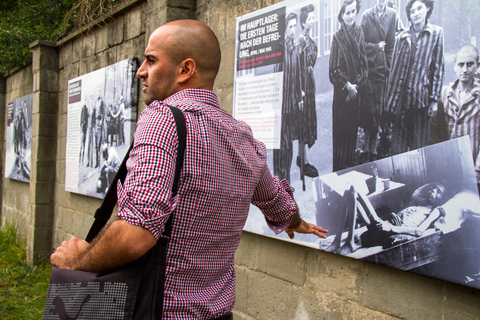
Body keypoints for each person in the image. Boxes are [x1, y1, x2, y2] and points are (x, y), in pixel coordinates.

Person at [50, 20, 328, 320]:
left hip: (157, 310)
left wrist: (78, 262)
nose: (141, 70)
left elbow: (136, 234)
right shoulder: (243, 136)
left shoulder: (162, 120)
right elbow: (276, 201)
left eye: (151, 60)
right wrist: (296, 222)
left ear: (185, 70)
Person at [384, 0, 444, 156]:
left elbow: (437, 67)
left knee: (419, 150)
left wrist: (434, 99)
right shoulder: (402, 37)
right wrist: (389, 105)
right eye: (412, 11)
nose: (416, 14)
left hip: (420, 102)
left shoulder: (435, 34)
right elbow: (393, 72)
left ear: (428, 9)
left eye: (419, 9)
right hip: (400, 104)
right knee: (398, 152)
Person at [328, 182, 446, 255]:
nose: (433, 191)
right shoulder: (419, 204)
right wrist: (395, 215)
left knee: (354, 190)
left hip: (387, 231)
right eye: (433, 188)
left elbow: (418, 231)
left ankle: (349, 243)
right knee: (348, 194)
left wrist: (391, 227)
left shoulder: (435, 211)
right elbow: (406, 217)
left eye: (438, 192)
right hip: (383, 226)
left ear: (441, 200)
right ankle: (336, 241)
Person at [432, 45, 480, 189]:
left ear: (477, 66)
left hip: (473, 165)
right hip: (451, 166)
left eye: (470, 64)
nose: (465, 69)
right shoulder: (446, 92)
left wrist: (478, 168)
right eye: (461, 64)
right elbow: (437, 131)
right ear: (454, 66)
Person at [329, 0, 368, 171]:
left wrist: (357, 85)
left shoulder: (360, 33)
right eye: (348, 13)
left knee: (352, 135)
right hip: (342, 95)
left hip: (356, 94)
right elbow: (333, 70)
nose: (351, 16)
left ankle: (350, 170)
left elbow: (364, 64)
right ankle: (338, 171)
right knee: (341, 136)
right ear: (342, 15)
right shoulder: (337, 38)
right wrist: (347, 85)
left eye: (353, 12)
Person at [360, 0, 400, 161]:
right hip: (369, 68)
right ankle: (366, 147)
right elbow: (361, 43)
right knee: (369, 108)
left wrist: (389, 67)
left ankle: (374, 148)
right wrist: (376, 47)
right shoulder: (367, 16)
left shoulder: (392, 15)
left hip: (383, 70)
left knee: (379, 108)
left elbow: (391, 45)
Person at [273, 12, 303, 183]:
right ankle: (279, 177)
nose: (292, 30)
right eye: (290, 27)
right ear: (285, 29)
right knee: (281, 144)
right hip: (282, 106)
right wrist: (276, 101)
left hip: (292, 105)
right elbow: (276, 76)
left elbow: (298, 74)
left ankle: (287, 179)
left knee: (289, 143)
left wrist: (299, 96)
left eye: (294, 26)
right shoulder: (281, 48)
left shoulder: (296, 48)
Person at [297, 4, 320, 185]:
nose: (312, 21)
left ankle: (303, 158)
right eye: (309, 19)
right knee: (303, 124)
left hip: (309, 85)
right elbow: (297, 66)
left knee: (309, 122)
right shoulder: (301, 41)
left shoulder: (311, 41)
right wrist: (300, 90)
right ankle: (303, 162)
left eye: (313, 18)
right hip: (303, 85)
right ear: (303, 22)